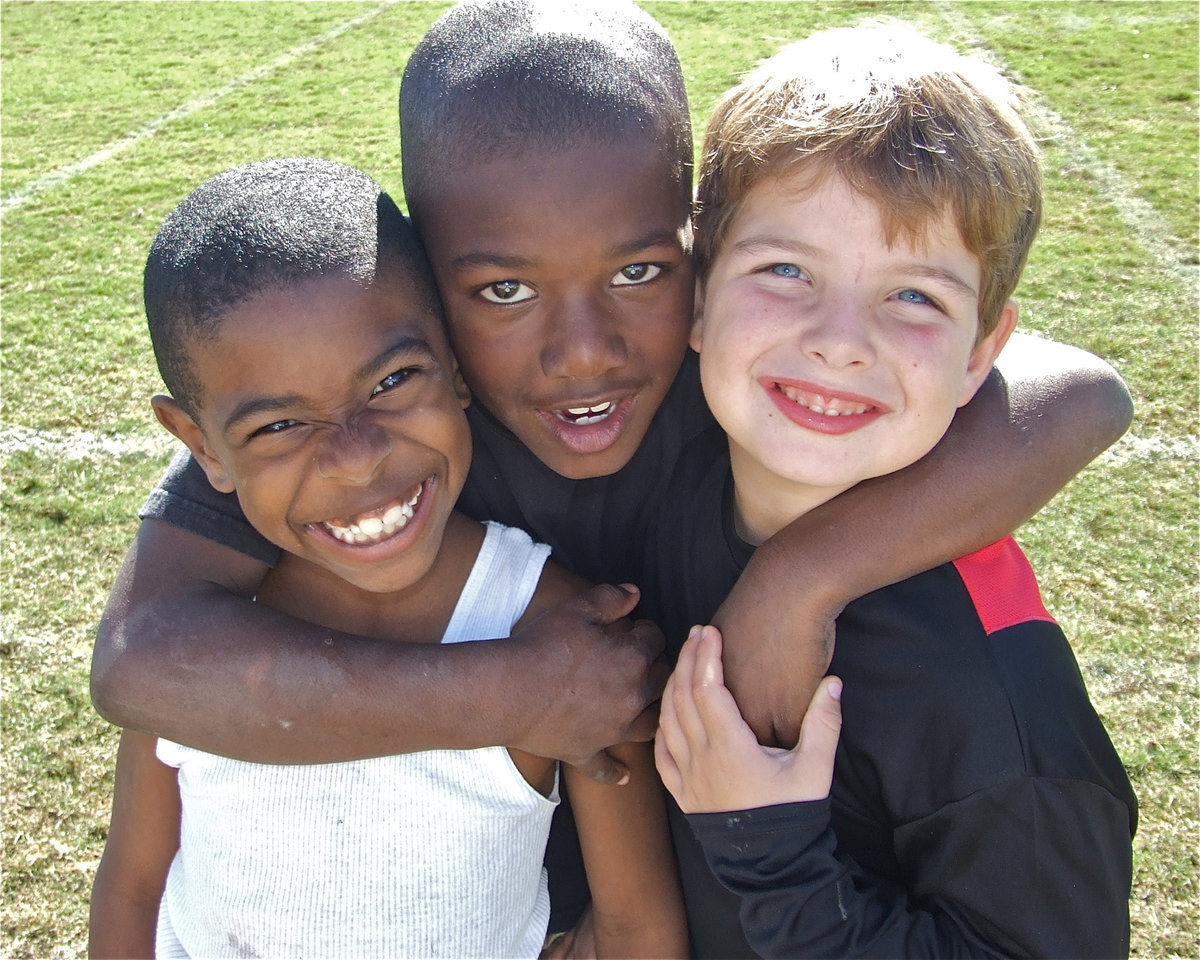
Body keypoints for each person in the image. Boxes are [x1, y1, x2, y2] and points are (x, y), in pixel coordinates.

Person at [90, 0, 1131, 940]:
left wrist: (797, 581)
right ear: (420, 284)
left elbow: (1082, 394)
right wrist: (521, 692)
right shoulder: (384, 426)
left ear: (700, 249)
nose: (584, 353)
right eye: (501, 291)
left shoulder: (732, 369)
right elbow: (141, 663)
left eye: (641, 272)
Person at [88, 157, 687, 959]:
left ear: (457, 366)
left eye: (394, 380)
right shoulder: (201, 647)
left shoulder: (561, 632)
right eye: (278, 426)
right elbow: (134, 885)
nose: (356, 458)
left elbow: (634, 925)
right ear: (200, 446)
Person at [651, 22, 1137, 958]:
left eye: (915, 297)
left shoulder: (990, 704)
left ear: (983, 357)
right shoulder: (681, 465)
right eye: (786, 270)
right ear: (699, 298)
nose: (840, 339)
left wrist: (771, 853)